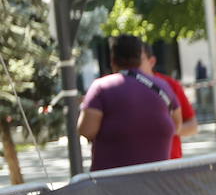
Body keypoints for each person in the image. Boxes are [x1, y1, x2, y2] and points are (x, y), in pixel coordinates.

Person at [77, 34, 179, 170]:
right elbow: (177, 125)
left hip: (111, 184)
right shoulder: (164, 87)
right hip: (156, 183)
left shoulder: (101, 87)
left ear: (112, 60)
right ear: (140, 58)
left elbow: (86, 130)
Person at [139, 43, 198, 158]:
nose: (132, 67)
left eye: (138, 61)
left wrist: (167, 128)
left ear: (151, 62)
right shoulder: (117, 86)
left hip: (170, 163)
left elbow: (192, 126)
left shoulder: (170, 84)